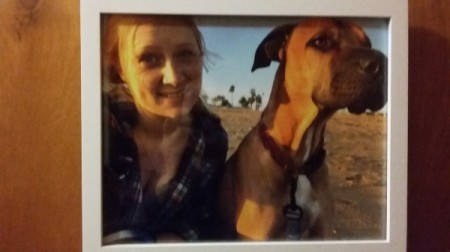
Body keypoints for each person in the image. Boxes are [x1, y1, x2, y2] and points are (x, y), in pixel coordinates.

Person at [101, 14, 228, 244]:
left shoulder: (211, 140)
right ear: (120, 67)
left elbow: (201, 220)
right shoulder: (99, 125)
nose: (173, 78)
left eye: (185, 54)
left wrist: (177, 237)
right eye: (149, 58)